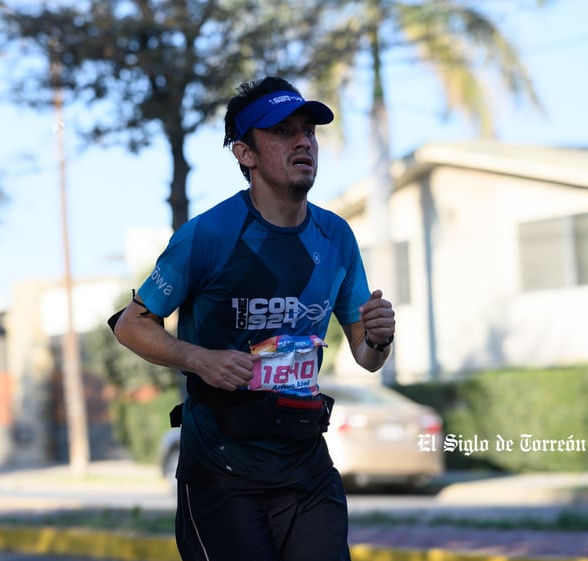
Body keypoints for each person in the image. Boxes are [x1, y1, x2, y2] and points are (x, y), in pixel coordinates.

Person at [109, 76, 396, 561]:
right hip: (222, 471)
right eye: (283, 131)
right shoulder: (209, 235)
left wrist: (380, 338)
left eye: (309, 131)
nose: (303, 141)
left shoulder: (336, 236)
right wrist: (200, 359)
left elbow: (366, 358)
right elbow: (129, 324)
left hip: (305, 465)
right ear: (245, 153)